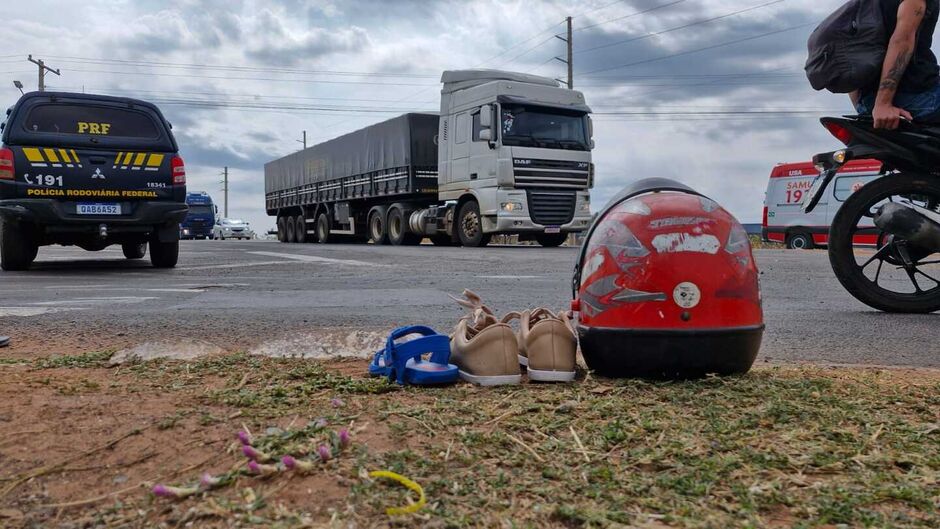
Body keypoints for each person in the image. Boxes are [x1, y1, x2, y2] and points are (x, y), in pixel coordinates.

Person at [851, 0, 940, 129]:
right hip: (917, 94)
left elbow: (849, 56)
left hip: (867, 101)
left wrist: (864, 108)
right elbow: (902, 41)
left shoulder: (862, 5)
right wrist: (883, 104)